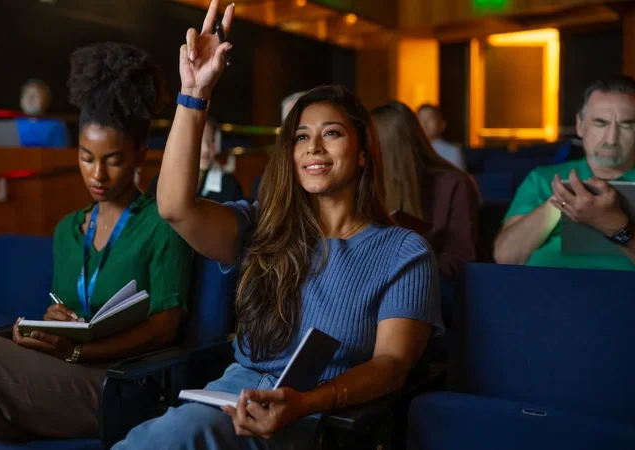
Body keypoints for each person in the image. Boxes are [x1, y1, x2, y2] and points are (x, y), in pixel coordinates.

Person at [115, 2, 443, 448]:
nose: (314, 147)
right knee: (160, 435)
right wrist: (195, 94)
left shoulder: (403, 251)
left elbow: (391, 365)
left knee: (178, 435)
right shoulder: (262, 226)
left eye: (331, 133)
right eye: (301, 137)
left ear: (363, 152)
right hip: (230, 402)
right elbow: (174, 207)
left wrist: (305, 403)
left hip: (317, 418)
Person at [0, 42, 194, 449]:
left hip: (121, 385)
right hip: (60, 373)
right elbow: (70, 311)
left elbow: (166, 327)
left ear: (139, 156)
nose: (97, 174)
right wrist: (51, 323)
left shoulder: (160, 223)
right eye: (85, 157)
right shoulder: (68, 230)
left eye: (112, 160)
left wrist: (78, 355)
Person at [494, 75, 635, 271]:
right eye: (600, 123)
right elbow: (506, 258)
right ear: (580, 125)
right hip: (546, 294)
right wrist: (561, 199)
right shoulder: (542, 179)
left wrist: (614, 224)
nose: (611, 139)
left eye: (626, 124)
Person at [371, 101, 479, 281]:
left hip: (430, 288)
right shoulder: (365, 182)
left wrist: (409, 275)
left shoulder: (455, 184)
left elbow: (459, 258)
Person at [147, 117, 243, 203]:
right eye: (199, 139)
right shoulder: (161, 182)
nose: (206, 148)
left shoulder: (229, 185)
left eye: (212, 140)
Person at [16, 78, 69, 148]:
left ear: (46, 101)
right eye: (26, 94)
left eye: (35, 95)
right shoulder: (13, 123)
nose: (30, 98)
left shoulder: (56, 125)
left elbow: (61, 154)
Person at [416, 104, 466, 170]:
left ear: (442, 124)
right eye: (420, 119)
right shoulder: (411, 148)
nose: (424, 123)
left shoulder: (452, 151)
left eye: (430, 119)